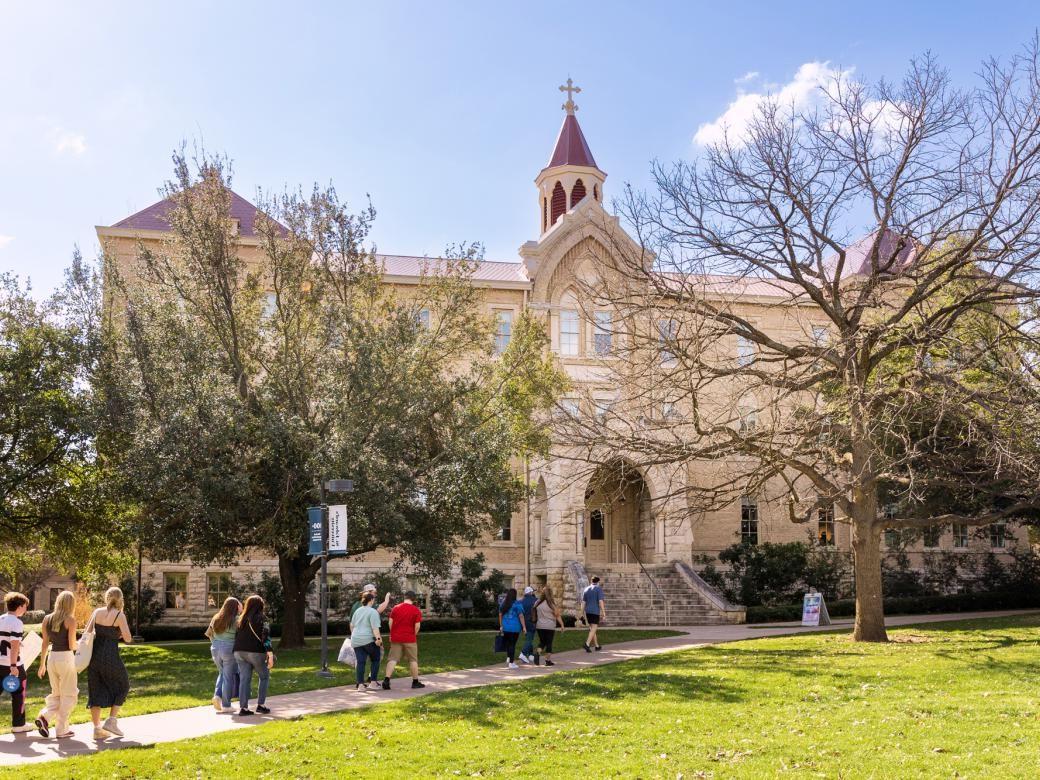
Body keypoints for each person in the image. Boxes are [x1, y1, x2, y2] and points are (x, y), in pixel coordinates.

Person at [86, 587, 133, 740]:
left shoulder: (96, 612)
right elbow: (128, 639)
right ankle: (111, 721)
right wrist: (116, 633)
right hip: (110, 657)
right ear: (120, 600)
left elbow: (87, 633)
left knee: (96, 691)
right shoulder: (119, 615)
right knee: (124, 685)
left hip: (94, 658)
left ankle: (96, 729)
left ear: (107, 597)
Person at [35, 590, 78, 738]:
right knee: (70, 694)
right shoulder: (70, 620)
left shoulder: (47, 619)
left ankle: (45, 717)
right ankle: (61, 729)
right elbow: (72, 645)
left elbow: (45, 643)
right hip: (66, 658)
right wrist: (84, 644)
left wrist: (42, 665)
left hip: (51, 659)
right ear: (71, 604)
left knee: (57, 694)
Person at [233, 594, 275, 716]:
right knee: (264, 676)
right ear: (261, 605)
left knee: (244, 680)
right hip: (255, 652)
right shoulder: (263, 619)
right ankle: (261, 706)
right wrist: (270, 655)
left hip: (239, 652)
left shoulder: (241, 619)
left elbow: (237, 636)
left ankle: (243, 708)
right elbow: (266, 638)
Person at [1, 591, 32, 734]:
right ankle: (19, 725)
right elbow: (13, 646)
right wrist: (13, 666)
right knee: (19, 692)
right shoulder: (17, 623)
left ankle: (19, 724)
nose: (26, 609)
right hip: (13, 665)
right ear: (19, 606)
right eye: (25, 606)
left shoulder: (1, 619)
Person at [381, 590, 424, 689]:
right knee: (413, 660)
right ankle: (415, 682)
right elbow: (417, 626)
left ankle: (386, 681)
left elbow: (390, 623)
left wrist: (393, 633)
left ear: (404, 598)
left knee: (392, 659)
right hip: (410, 638)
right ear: (414, 599)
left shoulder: (396, 608)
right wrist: (413, 634)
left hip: (396, 638)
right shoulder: (416, 610)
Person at [206, 597, 241, 713]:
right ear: (235, 607)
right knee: (228, 677)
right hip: (229, 650)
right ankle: (226, 705)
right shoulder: (236, 620)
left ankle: (217, 696)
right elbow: (240, 637)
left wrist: (215, 644)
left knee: (222, 673)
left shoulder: (216, 617)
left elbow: (209, 634)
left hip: (215, 649)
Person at [349, 592, 383, 690]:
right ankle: (373, 683)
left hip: (356, 640)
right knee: (376, 660)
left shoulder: (358, 610)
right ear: (371, 600)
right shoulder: (373, 612)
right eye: (374, 599)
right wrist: (378, 640)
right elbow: (375, 628)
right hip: (368, 640)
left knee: (360, 662)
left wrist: (354, 635)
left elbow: (352, 625)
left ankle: (360, 685)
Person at [534, 585, 566, 667]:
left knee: (542, 642)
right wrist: (562, 625)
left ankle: (537, 653)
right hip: (550, 626)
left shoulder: (537, 603)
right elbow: (557, 615)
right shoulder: (552, 604)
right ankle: (547, 660)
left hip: (539, 625)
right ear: (550, 594)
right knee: (549, 643)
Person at [498, 588, 526, 670]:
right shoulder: (518, 604)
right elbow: (521, 616)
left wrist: (501, 625)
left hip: (505, 627)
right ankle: (511, 663)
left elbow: (500, 614)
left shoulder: (503, 603)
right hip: (515, 628)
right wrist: (524, 627)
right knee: (512, 644)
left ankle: (508, 658)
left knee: (508, 644)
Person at [580, 576, 606, 652]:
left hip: (587, 611)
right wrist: (604, 612)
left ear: (591, 581)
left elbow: (583, 602)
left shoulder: (586, 589)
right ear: (598, 582)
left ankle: (597, 646)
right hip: (595, 611)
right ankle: (587, 644)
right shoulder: (598, 589)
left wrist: (581, 613)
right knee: (594, 628)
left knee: (592, 629)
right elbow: (600, 601)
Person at [518, 586, 538, 664]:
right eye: (533, 592)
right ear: (531, 592)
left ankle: (530, 655)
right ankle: (523, 653)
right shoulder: (535, 600)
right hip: (531, 622)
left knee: (529, 638)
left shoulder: (520, 601)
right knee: (529, 640)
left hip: (523, 623)